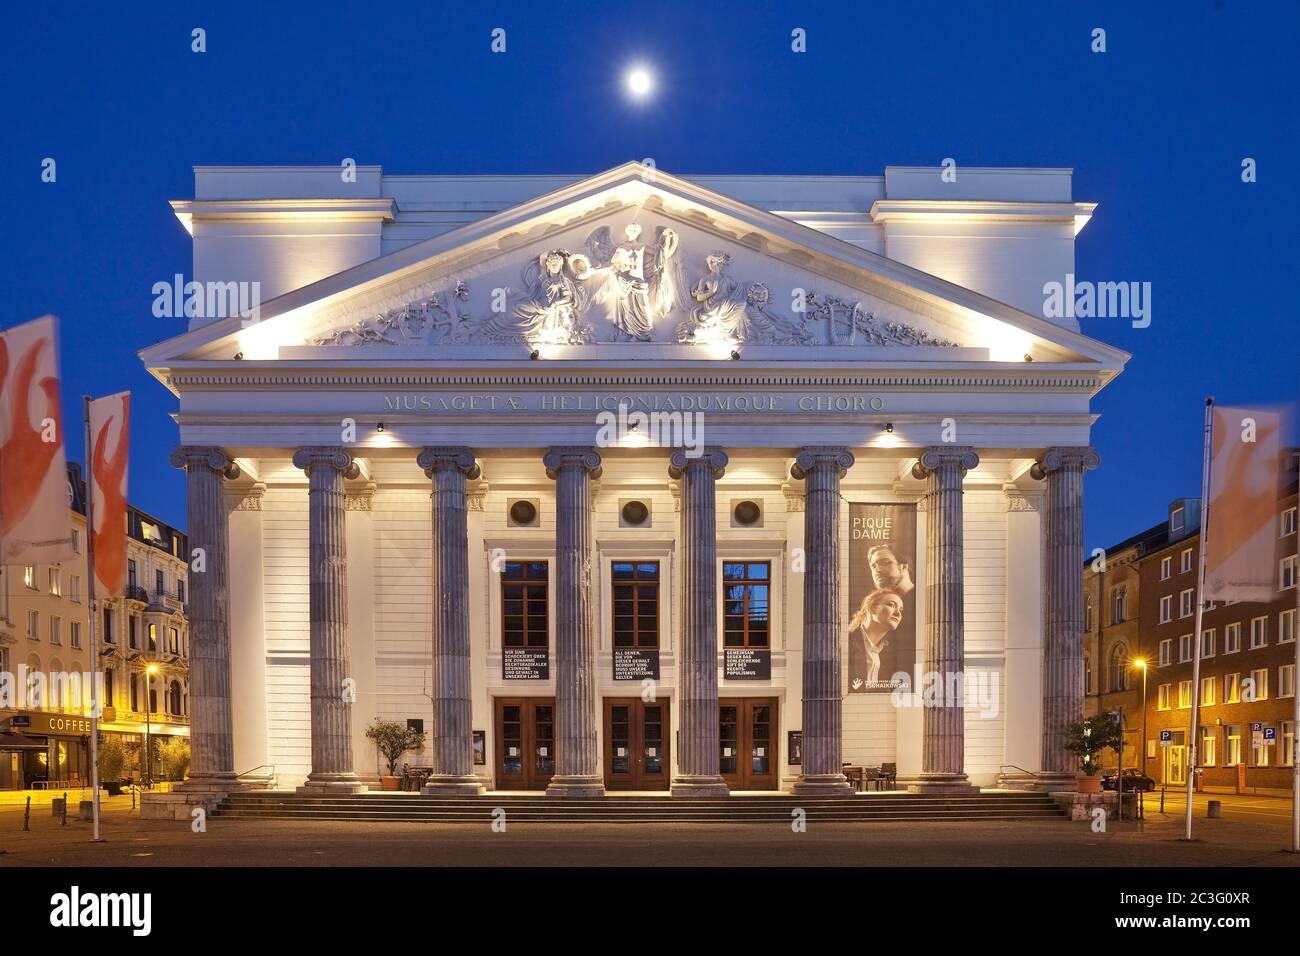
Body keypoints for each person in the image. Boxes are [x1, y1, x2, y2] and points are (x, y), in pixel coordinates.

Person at [847, 588, 905, 691]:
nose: (898, 614)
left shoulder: (887, 652)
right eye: (891, 605)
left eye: (900, 610)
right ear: (872, 607)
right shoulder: (847, 641)